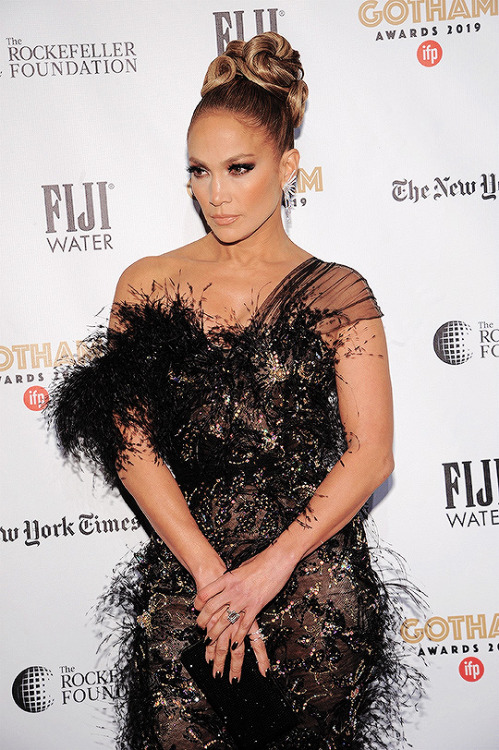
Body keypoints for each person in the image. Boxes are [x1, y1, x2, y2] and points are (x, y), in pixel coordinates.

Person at [49, 32, 421, 750]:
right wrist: (213, 577)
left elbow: (371, 453)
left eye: (238, 168)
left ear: (287, 167)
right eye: (198, 171)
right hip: (190, 585)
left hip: (312, 587)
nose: (214, 194)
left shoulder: (338, 292)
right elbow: (131, 446)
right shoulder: (146, 282)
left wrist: (271, 567)